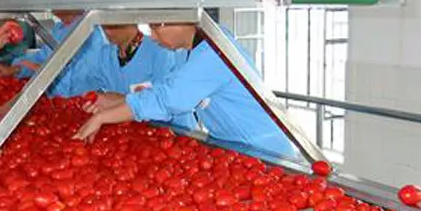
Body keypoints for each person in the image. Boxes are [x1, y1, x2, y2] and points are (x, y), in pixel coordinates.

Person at [73, 22, 298, 159]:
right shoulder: (187, 52)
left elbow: (169, 100)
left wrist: (103, 117)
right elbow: (168, 88)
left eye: (156, 26)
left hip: (263, 151)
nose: (152, 35)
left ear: (183, 21)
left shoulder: (213, 52)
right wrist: (118, 100)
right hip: (231, 147)